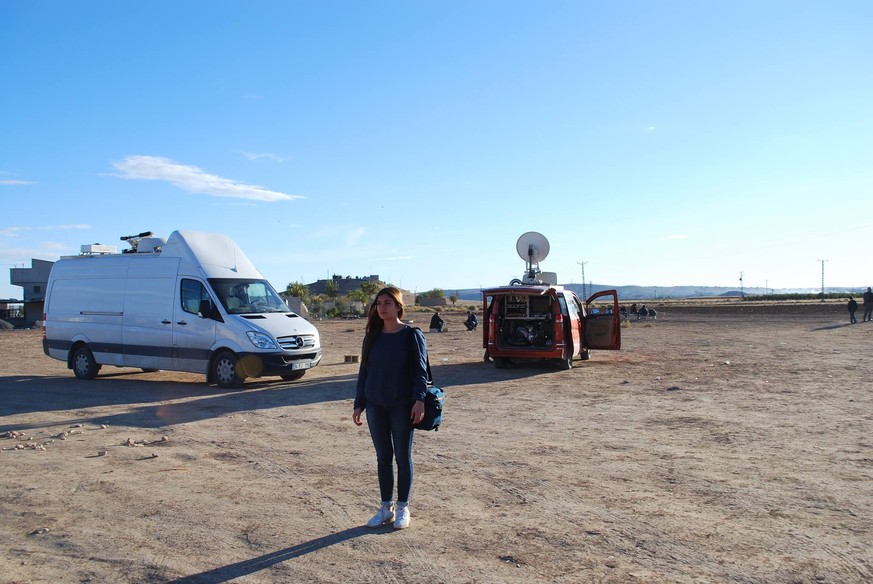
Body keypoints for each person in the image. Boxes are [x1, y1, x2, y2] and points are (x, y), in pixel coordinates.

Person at [353, 287, 428, 530]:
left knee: (402, 457)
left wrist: (419, 400)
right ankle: (386, 507)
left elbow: (421, 371)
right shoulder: (372, 336)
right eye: (378, 303)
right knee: (383, 457)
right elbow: (364, 371)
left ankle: (403, 507)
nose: (382, 307)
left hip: (402, 404)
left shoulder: (411, 335)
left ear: (398, 306)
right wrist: (359, 402)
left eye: (387, 302)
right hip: (376, 404)